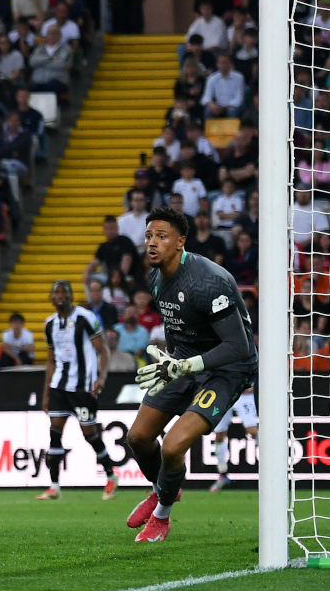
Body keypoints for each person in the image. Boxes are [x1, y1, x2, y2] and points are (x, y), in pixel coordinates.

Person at [127, 206, 257, 542]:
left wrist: (187, 365)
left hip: (228, 369)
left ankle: (162, 515)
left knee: (172, 447)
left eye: (161, 236)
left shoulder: (209, 281)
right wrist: (171, 363)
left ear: (180, 242)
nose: (151, 243)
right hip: (184, 362)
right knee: (138, 437)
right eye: (149, 236)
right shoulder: (156, 277)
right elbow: (177, 328)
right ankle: (163, 489)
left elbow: (239, 347)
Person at [37, 280, 116, 502]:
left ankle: (111, 476)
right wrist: (46, 393)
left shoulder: (85, 317)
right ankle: (54, 486)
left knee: (89, 434)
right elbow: (51, 361)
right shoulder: (49, 324)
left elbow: (104, 350)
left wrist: (101, 378)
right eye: (56, 292)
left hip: (83, 387)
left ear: (71, 296)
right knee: (54, 433)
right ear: (51, 297)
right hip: (59, 387)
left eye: (64, 292)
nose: (60, 295)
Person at [209, 386, 258, 493]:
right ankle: (223, 475)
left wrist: (254, 386)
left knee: (253, 430)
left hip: (244, 395)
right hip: (225, 394)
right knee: (219, 435)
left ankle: (272, 466)